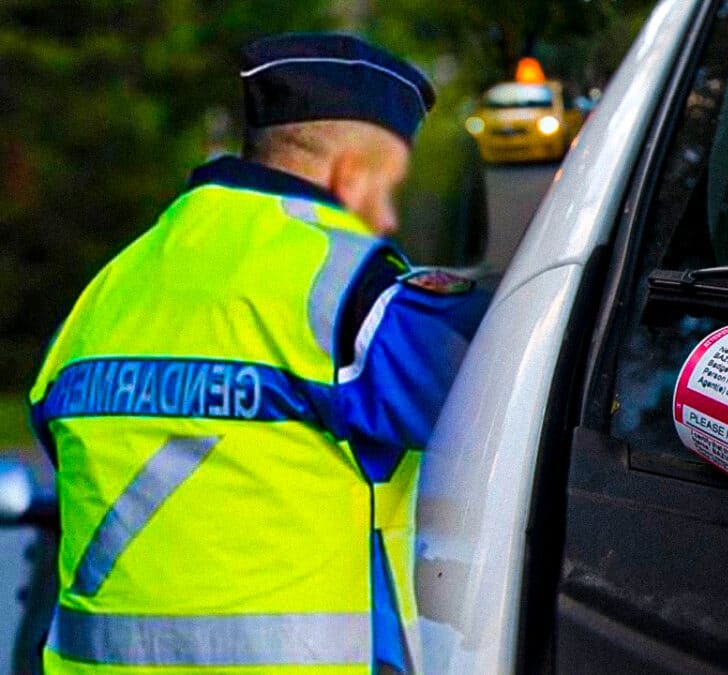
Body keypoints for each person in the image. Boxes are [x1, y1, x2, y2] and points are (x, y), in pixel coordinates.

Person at [26, 33, 489, 674]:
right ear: (347, 173)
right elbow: (509, 405)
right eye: (388, 190)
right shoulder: (350, 289)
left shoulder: (105, 292)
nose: (386, 221)